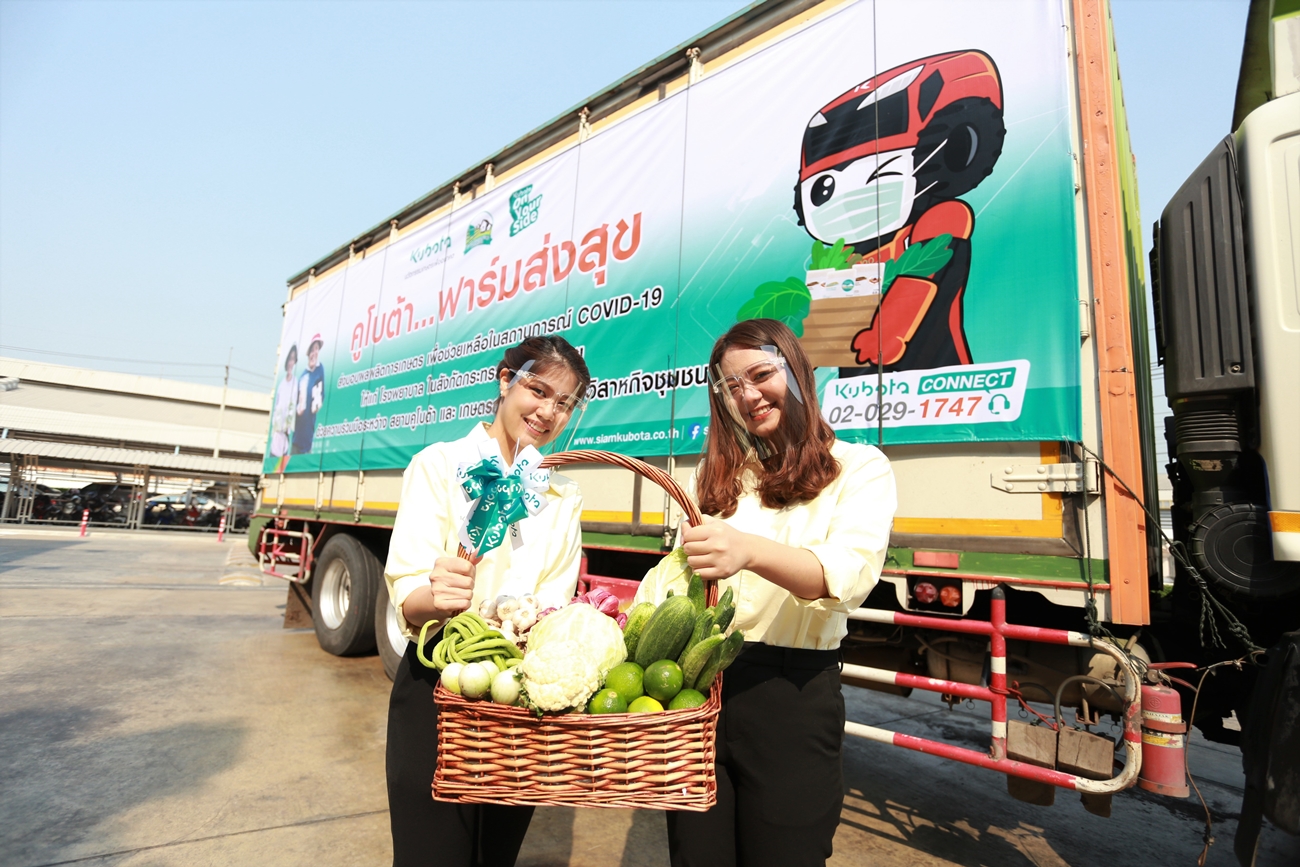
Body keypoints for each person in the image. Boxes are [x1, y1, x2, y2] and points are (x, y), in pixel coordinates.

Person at [634, 318, 896, 867]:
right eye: (731, 388)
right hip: (700, 694)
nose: (748, 395)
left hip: (792, 698)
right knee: (695, 856)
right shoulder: (719, 477)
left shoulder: (857, 468)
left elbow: (844, 577)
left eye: (759, 375)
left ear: (796, 371)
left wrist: (748, 551)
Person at [383, 335, 591, 867]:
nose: (548, 411)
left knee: (496, 856)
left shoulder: (560, 496)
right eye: (538, 390)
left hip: (515, 699)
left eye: (564, 403)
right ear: (505, 381)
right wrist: (436, 595)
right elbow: (407, 591)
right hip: (439, 690)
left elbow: (552, 601)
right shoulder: (439, 465)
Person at [292, 334, 326, 455]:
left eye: (316, 349)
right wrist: (297, 409)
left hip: (308, 440)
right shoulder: (303, 376)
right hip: (296, 438)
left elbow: (321, 394)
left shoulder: (319, 369)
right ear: (308, 354)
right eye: (312, 350)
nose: (314, 353)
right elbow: (295, 403)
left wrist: (317, 403)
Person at [270, 344, 298, 458]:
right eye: (290, 359)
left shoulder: (295, 383)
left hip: (285, 438)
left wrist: (287, 428)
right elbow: (276, 407)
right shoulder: (281, 384)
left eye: (293, 359)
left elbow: (293, 408)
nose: (291, 362)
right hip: (275, 437)